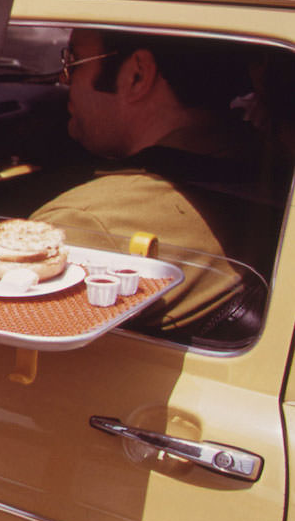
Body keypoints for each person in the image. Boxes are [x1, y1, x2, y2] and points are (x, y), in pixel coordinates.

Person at [30, 28, 276, 338]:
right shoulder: (273, 167)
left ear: (137, 75)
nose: (64, 80)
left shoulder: (81, 223)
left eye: (74, 61)